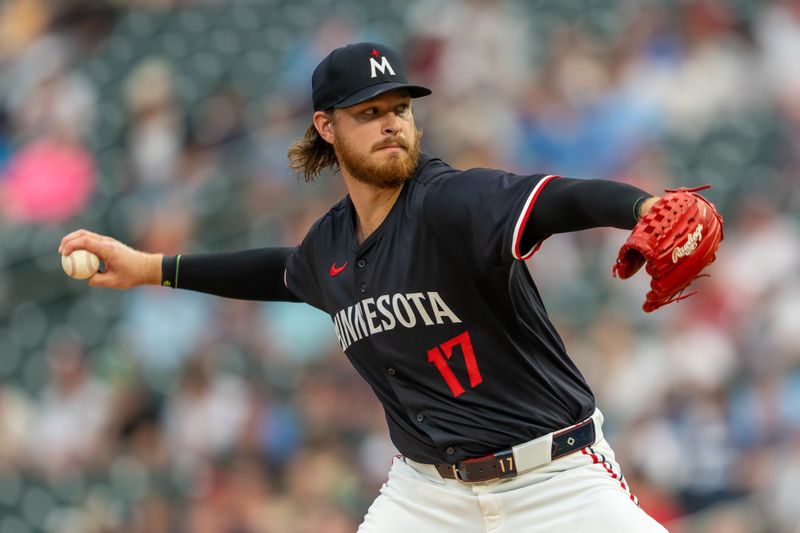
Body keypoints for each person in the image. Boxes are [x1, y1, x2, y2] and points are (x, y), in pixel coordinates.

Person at [60, 42, 670, 532]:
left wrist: (641, 206)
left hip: (555, 477)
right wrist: (150, 267)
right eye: (368, 113)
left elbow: (557, 200)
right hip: (429, 495)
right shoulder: (329, 245)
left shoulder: (450, 201)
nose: (391, 125)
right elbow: (275, 272)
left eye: (399, 108)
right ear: (326, 126)